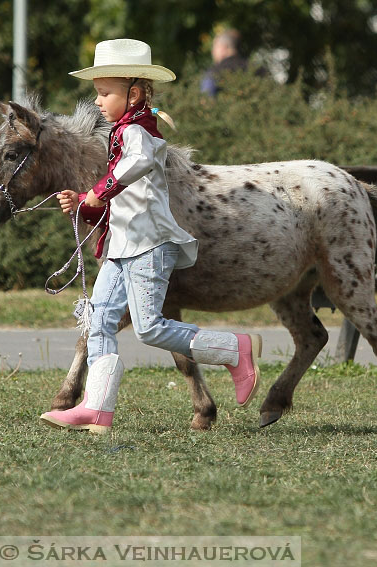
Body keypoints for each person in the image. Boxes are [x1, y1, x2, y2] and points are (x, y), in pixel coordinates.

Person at [39, 38, 261, 433]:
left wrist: (97, 191)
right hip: (122, 245)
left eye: (105, 93)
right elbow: (123, 197)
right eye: (97, 92)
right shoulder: (121, 131)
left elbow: (137, 166)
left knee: (149, 328)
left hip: (148, 246)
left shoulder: (140, 131)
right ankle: (97, 408)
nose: (98, 102)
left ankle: (234, 349)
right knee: (101, 320)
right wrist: (84, 204)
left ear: (135, 93)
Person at [200, 29, 261, 96]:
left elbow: (206, 99)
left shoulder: (214, 72)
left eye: (214, 47)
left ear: (223, 48)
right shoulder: (258, 68)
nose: (212, 52)